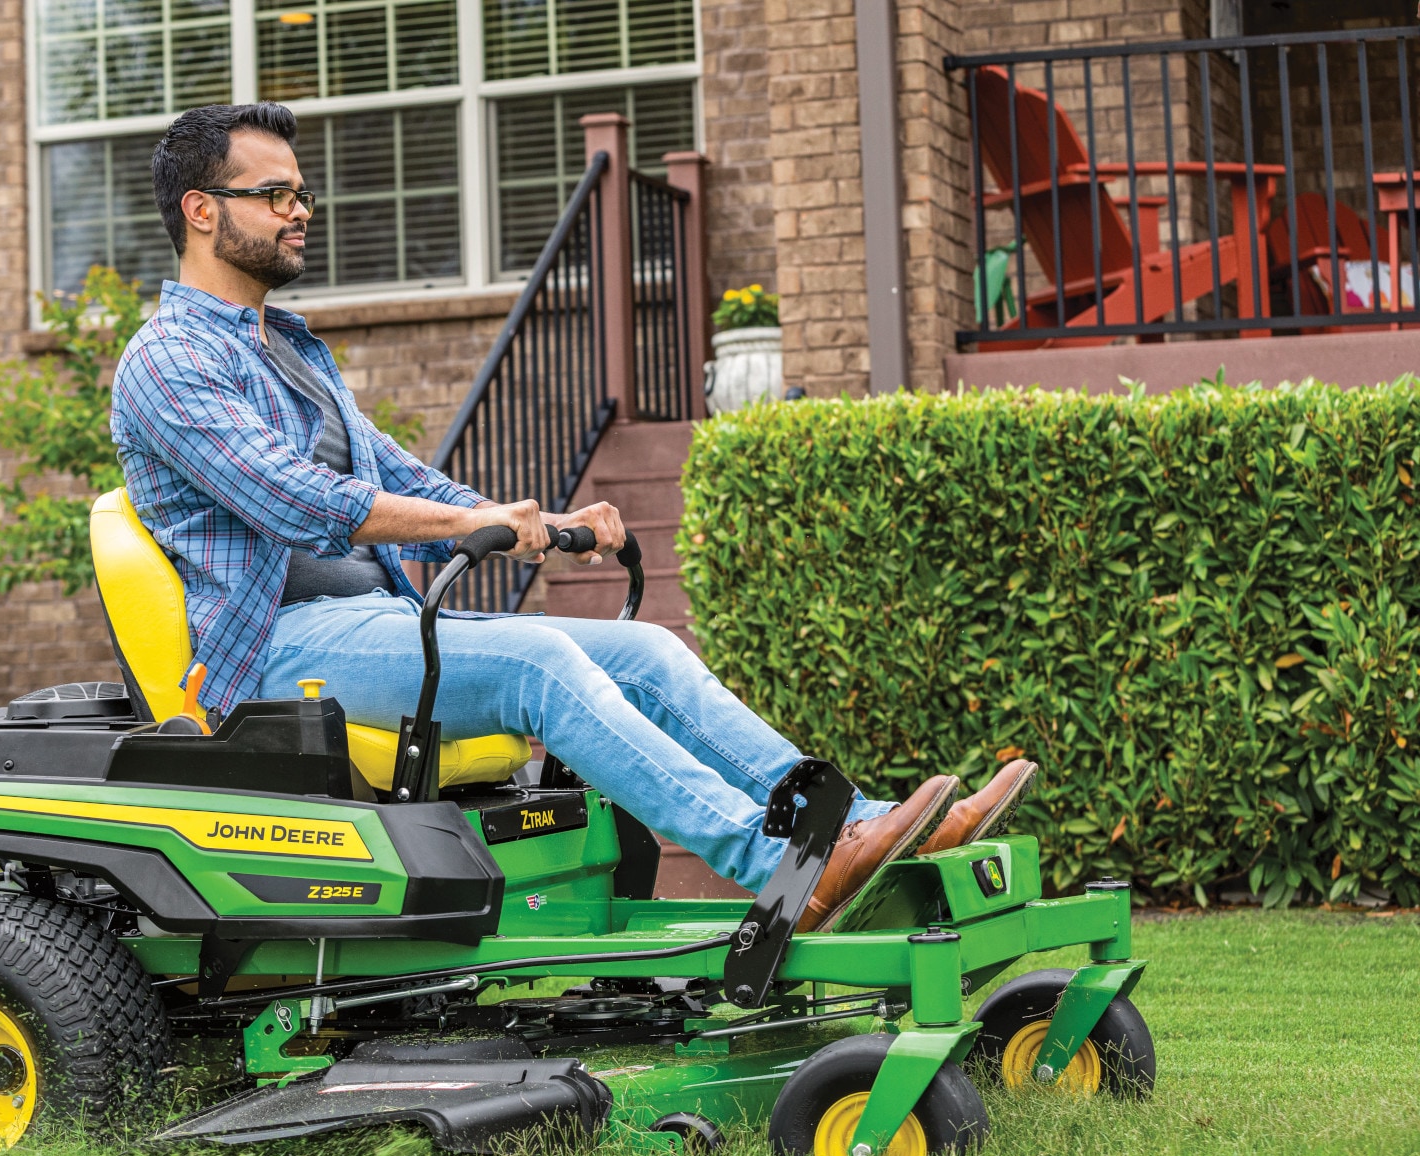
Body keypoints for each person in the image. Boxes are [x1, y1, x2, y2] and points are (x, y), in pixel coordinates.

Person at [109, 102, 1036, 926]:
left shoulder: (291, 349)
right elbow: (295, 499)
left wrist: (541, 520)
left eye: (302, 194)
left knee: (648, 652)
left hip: (372, 623)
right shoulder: (169, 360)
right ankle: (783, 869)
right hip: (277, 650)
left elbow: (400, 473)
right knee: (538, 660)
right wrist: (473, 530)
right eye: (276, 195)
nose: (300, 211)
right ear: (202, 209)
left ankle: (865, 827)